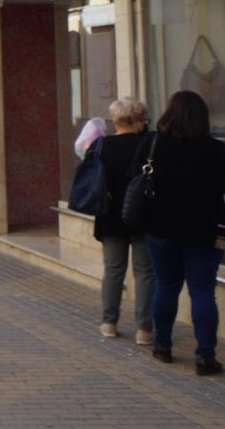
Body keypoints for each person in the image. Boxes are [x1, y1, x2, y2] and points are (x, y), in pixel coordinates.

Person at [134, 90, 225, 376]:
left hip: (161, 226)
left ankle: (162, 346)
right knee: (203, 291)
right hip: (206, 229)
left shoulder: (153, 143)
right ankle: (206, 356)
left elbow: (136, 177)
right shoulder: (215, 149)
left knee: (166, 286)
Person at [92, 98, 153, 344]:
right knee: (145, 272)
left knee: (113, 271)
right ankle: (145, 329)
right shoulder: (149, 145)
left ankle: (109, 323)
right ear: (137, 120)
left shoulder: (102, 145)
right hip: (143, 215)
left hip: (111, 215)